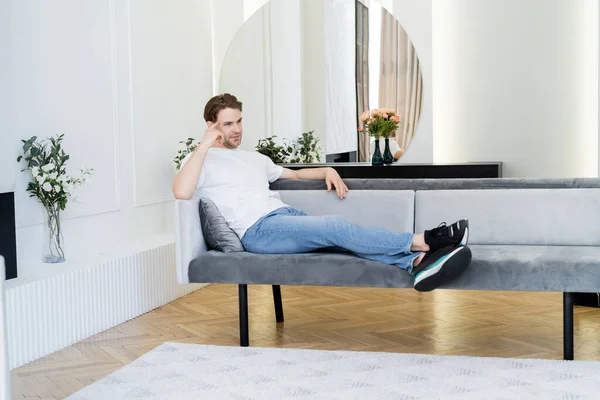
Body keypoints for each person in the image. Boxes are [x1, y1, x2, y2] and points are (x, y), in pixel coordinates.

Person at [172, 94, 472, 292]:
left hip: (282, 218)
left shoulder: (255, 159)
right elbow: (181, 192)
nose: (236, 129)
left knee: (341, 242)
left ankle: (416, 265)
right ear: (211, 126)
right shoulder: (201, 160)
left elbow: (296, 174)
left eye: (239, 120)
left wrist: (327, 171)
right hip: (258, 231)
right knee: (335, 226)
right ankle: (425, 240)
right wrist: (204, 145)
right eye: (227, 124)